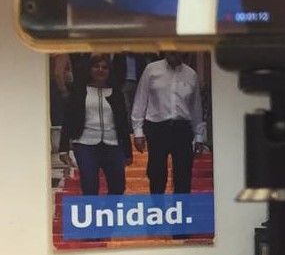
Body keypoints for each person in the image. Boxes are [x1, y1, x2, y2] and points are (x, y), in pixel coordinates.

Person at [131, 52, 207, 194]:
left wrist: (199, 136)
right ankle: (157, 206)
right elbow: (141, 99)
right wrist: (138, 131)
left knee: (183, 175)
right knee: (156, 174)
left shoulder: (191, 75)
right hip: (157, 128)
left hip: (182, 129)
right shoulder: (151, 70)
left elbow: (196, 107)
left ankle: (182, 207)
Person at [59, 53, 132, 195]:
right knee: (90, 185)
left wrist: (127, 151)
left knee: (118, 187)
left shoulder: (116, 93)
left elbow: (123, 123)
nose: (100, 70)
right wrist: (63, 148)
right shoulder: (79, 91)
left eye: (104, 67)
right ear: (90, 69)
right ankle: (92, 209)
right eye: (96, 66)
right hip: (85, 143)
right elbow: (68, 119)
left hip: (113, 144)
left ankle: (111, 210)